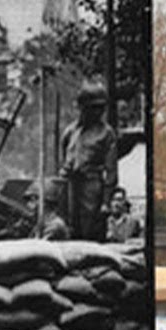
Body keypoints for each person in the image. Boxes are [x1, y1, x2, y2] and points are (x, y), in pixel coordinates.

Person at [58, 81, 117, 241]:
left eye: (101, 107)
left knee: (90, 231)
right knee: (69, 230)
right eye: (93, 108)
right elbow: (63, 160)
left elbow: (111, 172)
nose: (98, 112)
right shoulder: (70, 132)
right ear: (82, 108)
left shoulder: (106, 133)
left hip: (92, 188)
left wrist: (106, 202)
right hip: (70, 186)